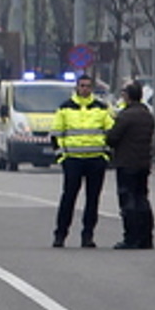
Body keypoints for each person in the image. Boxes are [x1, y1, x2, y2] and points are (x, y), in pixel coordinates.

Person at [50, 74, 113, 248]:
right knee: (68, 198)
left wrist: (105, 156)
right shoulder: (65, 108)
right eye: (82, 86)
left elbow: (111, 133)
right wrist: (62, 157)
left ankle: (88, 236)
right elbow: (56, 135)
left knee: (93, 200)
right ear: (77, 87)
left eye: (88, 86)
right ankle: (60, 235)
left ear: (92, 88)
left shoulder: (101, 108)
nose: (85, 89)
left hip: (95, 160)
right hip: (73, 160)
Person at [104, 81, 155, 250]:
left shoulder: (126, 116)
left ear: (128, 96)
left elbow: (112, 138)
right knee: (142, 199)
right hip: (143, 163)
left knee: (128, 200)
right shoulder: (147, 115)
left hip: (127, 163)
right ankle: (146, 238)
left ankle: (131, 238)